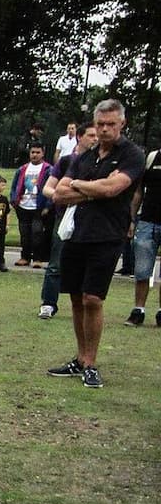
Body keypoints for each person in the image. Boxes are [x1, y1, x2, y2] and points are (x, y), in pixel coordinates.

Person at [47, 99, 146, 389]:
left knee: (93, 299)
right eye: (100, 124)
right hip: (77, 233)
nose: (104, 129)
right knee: (76, 298)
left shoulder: (132, 155)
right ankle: (79, 358)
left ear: (122, 124)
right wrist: (93, 189)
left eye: (110, 124)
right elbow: (59, 193)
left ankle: (91, 362)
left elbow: (115, 188)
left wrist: (84, 186)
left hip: (107, 235)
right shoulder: (86, 156)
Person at [38, 122, 97, 319]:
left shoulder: (101, 163)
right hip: (65, 215)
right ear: (79, 137)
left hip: (91, 218)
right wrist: (61, 196)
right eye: (91, 135)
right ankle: (48, 303)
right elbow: (47, 187)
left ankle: (82, 303)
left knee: (85, 262)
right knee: (56, 261)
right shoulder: (65, 161)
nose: (96, 139)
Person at [124, 145, 160, 326]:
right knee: (141, 270)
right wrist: (132, 219)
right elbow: (138, 191)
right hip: (148, 221)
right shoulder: (153, 157)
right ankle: (139, 310)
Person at [11, 144, 54, 267]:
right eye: (32, 152)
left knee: (37, 233)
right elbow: (15, 186)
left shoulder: (48, 169)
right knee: (24, 233)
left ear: (43, 153)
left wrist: (47, 206)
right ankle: (24, 257)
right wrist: (14, 201)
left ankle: (37, 258)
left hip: (38, 207)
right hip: (23, 205)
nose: (35, 155)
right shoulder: (22, 169)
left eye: (37, 152)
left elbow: (51, 188)